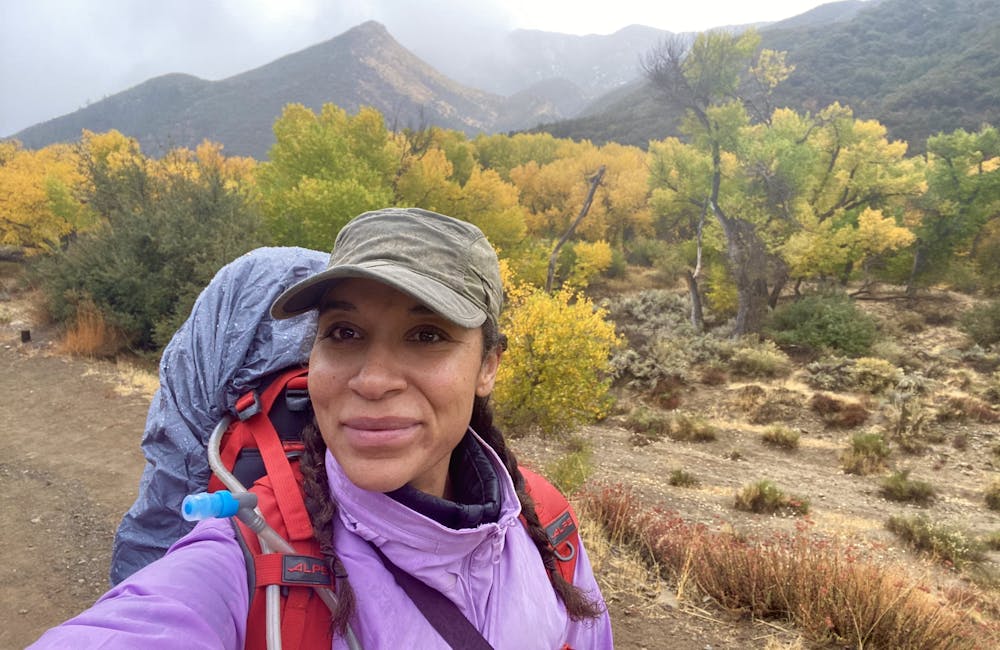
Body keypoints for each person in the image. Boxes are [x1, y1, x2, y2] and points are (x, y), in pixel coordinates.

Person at [30, 207, 614, 649]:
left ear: (488, 366)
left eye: (427, 335)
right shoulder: (248, 558)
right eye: (344, 333)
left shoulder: (546, 524)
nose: (374, 380)